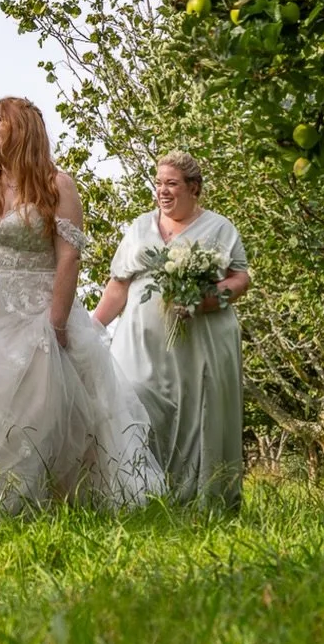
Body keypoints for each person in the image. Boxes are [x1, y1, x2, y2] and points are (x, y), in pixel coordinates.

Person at [0, 97, 162, 513]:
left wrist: (57, 322)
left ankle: (32, 498)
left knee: (31, 407)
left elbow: (68, 256)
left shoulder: (56, 185)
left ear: (23, 127)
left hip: (36, 311)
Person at [92, 151, 251, 510]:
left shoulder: (219, 228)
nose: (162, 191)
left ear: (193, 188)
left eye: (172, 184)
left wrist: (205, 301)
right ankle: (139, 496)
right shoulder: (139, 227)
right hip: (139, 341)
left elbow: (240, 279)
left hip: (200, 341)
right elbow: (118, 284)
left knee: (196, 415)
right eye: (159, 183)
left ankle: (196, 500)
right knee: (132, 400)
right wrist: (91, 326)